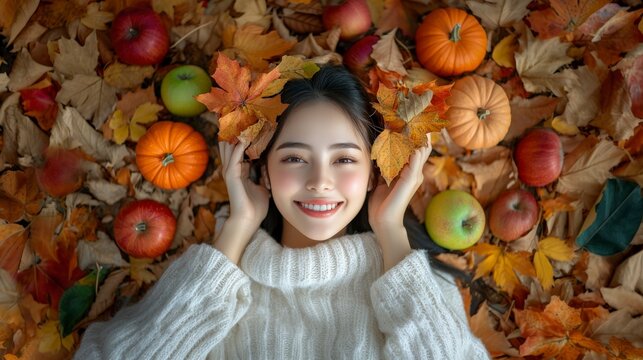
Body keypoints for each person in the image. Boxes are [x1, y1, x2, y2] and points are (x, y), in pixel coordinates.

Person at [74, 66, 490, 359]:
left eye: (345, 160)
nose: (320, 180)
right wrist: (236, 229)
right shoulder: (211, 290)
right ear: (265, 172)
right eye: (294, 158)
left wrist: (390, 229)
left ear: (371, 175)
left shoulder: (414, 292)